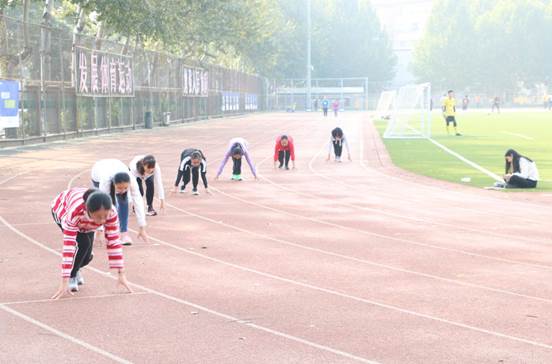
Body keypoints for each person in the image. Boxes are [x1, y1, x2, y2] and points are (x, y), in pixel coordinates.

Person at [50, 187, 132, 298]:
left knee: (87, 254)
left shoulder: (111, 212)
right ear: (88, 210)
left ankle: (78, 265)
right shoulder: (75, 213)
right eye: (99, 217)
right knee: (83, 244)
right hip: (62, 208)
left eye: (105, 216)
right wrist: (65, 280)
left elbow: (114, 243)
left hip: (87, 219)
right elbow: (68, 247)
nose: (103, 221)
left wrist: (121, 274)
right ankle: (72, 276)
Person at [91, 159, 148, 245]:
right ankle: (102, 232)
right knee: (104, 204)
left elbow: (138, 201)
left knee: (123, 201)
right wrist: (99, 230)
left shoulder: (131, 180)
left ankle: (124, 234)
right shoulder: (105, 180)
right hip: (98, 173)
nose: (122, 190)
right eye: (119, 188)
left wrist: (142, 227)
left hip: (117, 165)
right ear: (114, 184)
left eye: (125, 188)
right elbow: (101, 204)